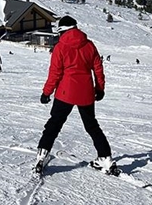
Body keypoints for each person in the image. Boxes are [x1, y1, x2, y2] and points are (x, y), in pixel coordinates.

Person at [35, 16, 118, 175]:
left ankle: (42, 156)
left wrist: (46, 92)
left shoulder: (60, 47)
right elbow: (98, 69)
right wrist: (99, 89)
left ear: (62, 30)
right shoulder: (89, 45)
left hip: (65, 93)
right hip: (85, 93)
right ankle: (106, 159)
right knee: (92, 126)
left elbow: (55, 73)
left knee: (54, 124)